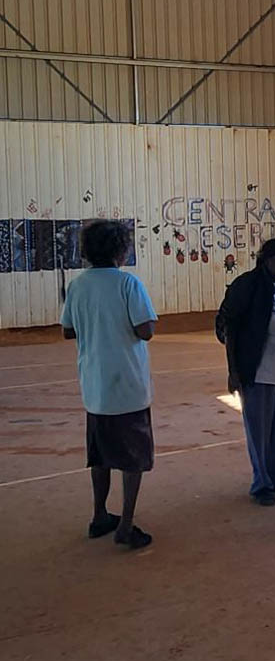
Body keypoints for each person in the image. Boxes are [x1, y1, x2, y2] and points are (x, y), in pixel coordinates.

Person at [61, 220, 158, 550]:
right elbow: (145, 330)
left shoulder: (78, 286)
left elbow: (68, 330)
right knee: (133, 459)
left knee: (100, 456)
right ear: (121, 249)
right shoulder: (128, 284)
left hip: (96, 387)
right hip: (128, 387)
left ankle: (100, 514)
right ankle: (127, 526)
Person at [218, 238, 275, 506]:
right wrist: (234, 371)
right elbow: (229, 328)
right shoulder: (247, 286)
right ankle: (262, 483)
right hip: (258, 370)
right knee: (259, 430)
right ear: (265, 261)